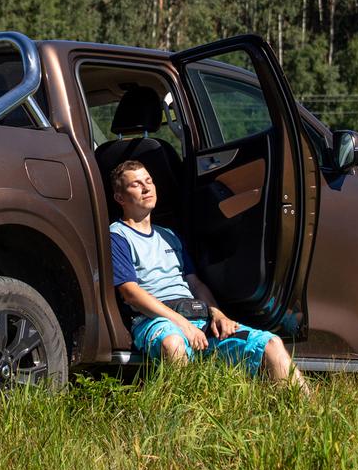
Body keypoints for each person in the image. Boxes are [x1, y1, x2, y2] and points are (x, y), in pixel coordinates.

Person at [108, 159, 308, 390]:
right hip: (155, 319)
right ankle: (189, 416)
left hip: (197, 318)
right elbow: (130, 293)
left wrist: (217, 314)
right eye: (136, 184)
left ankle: (307, 416)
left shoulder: (169, 235)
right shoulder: (118, 235)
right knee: (173, 344)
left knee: (271, 343)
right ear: (120, 198)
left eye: (149, 181)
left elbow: (195, 283)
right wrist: (182, 324)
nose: (146, 188)